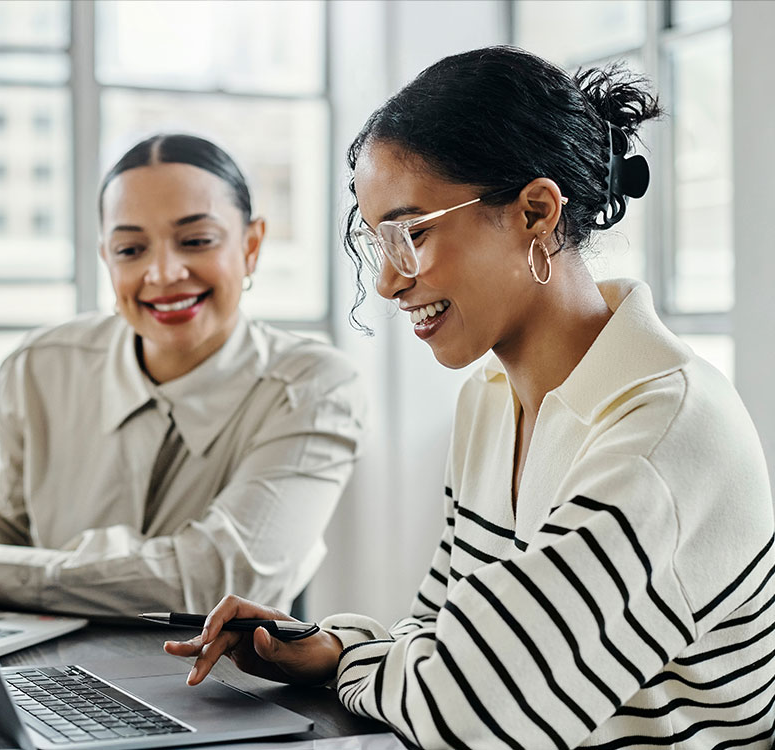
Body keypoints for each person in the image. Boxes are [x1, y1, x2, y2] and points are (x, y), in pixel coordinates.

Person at [164, 47, 775, 748]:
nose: (390, 284)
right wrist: (331, 648)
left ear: (536, 213)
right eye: (378, 244)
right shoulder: (489, 399)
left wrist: (354, 662)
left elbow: (471, 712)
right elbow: (438, 633)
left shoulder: (664, 435)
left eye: (412, 234)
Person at [0, 134, 365, 617]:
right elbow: (0, 523)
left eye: (196, 241)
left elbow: (220, 582)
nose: (163, 273)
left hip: (222, 683)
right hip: (50, 673)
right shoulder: (40, 367)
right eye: (130, 249)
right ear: (107, 260)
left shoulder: (314, 386)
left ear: (251, 245)